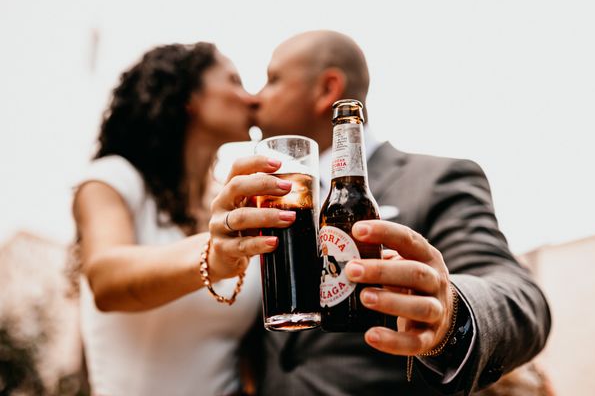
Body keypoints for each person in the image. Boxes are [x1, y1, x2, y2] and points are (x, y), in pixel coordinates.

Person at [244, 30, 551, 394]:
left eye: (273, 79)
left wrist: (449, 313)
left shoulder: (435, 179)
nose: (256, 97)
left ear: (327, 90)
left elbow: (520, 297)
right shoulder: (265, 196)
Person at [72, 42, 295, 396]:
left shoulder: (237, 205)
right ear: (188, 96)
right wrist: (213, 255)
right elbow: (106, 279)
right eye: (235, 81)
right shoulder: (114, 179)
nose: (253, 99)